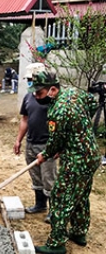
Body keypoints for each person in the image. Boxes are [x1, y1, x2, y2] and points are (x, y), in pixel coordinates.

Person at [31, 71, 101, 254]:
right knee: (80, 195)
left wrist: (44, 155)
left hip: (76, 159)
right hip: (92, 155)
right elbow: (93, 103)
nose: (36, 97)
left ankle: (56, 244)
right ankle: (78, 232)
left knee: (60, 197)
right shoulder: (74, 92)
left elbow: (56, 142)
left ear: (52, 90)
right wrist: (80, 126)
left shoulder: (58, 111)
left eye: (39, 93)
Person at [13, 64, 57, 224]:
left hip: (47, 145)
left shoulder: (51, 98)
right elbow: (25, 119)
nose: (31, 83)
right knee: (36, 177)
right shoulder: (28, 96)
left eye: (32, 79)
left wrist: (56, 147)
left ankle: (54, 211)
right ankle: (40, 204)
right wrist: (19, 139)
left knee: (49, 179)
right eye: (30, 80)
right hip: (31, 143)